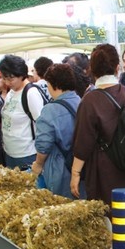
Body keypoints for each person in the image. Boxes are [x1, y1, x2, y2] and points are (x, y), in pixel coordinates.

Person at [70, 44, 125, 205]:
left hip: (103, 170)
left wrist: (75, 173)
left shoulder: (89, 101)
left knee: (105, 216)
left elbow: (83, 143)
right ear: (117, 67)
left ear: (92, 69)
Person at [32, 63, 81, 199]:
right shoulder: (82, 102)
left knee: (61, 208)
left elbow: (43, 145)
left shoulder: (50, 110)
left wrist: (38, 164)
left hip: (60, 169)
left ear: (54, 85)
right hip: (82, 168)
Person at [0, 55, 43, 170]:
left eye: (11, 78)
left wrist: (39, 161)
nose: (7, 82)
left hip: (26, 155)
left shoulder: (31, 93)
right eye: (4, 78)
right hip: (10, 153)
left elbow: (42, 126)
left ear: (22, 75)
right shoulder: (11, 92)